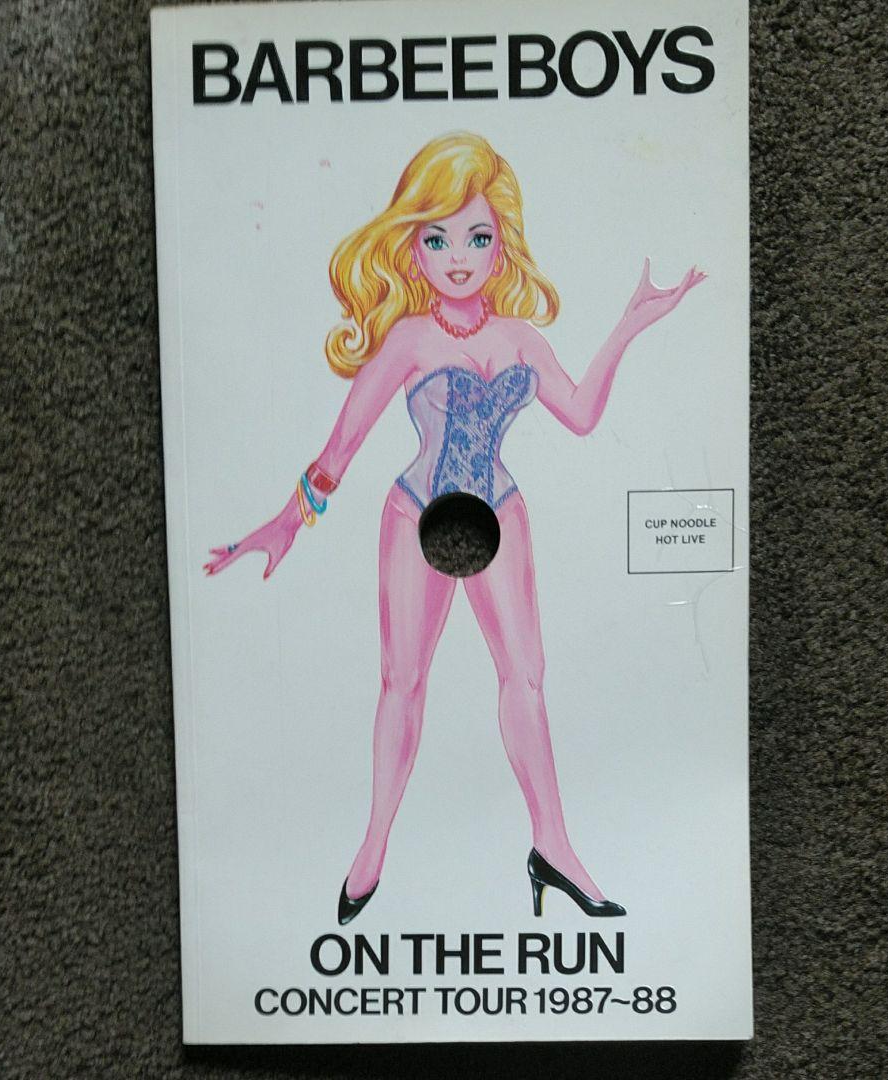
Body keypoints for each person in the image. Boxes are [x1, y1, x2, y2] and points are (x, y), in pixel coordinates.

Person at [203, 132, 705, 923]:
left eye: (476, 237)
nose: (459, 257)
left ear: (502, 246)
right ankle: (373, 845)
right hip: (415, 511)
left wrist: (629, 325)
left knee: (527, 677)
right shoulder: (409, 338)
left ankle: (553, 845)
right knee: (402, 681)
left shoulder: (520, 339)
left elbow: (580, 415)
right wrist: (286, 522)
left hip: (500, 509)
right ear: (413, 251)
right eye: (437, 239)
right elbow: (339, 451)